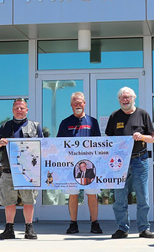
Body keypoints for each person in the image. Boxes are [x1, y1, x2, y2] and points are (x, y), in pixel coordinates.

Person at [105, 86, 154, 239]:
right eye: (122, 97)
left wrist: (141, 137)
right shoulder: (114, 116)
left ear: (134, 98)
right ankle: (122, 228)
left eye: (128, 97)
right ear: (119, 100)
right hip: (119, 162)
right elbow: (108, 140)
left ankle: (143, 228)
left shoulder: (143, 114)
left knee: (142, 196)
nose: (125, 100)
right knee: (120, 196)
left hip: (139, 159)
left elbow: (153, 138)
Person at [0, 98, 43, 240]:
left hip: (28, 171)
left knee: (29, 200)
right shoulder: (5, 126)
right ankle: (9, 229)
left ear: (26, 110)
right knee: (9, 201)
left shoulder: (35, 126)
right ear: (12, 110)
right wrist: (0, 143)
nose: (19, 110)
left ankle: (29, 228)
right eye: (16, 108)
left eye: (22, 108)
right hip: (9, 169)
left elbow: (42, 146)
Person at [57, 92, 103, 234]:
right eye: (75, 103)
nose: (78, 105)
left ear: (84, 104)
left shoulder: (92, 122)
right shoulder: (65, 123)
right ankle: (73, 223)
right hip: (71, 166)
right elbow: (59, 143)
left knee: (92, 194)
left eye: (80, 102)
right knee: (73, 194)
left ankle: (94, 223)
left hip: (90, 165)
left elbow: (99, 143)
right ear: (71, 105)